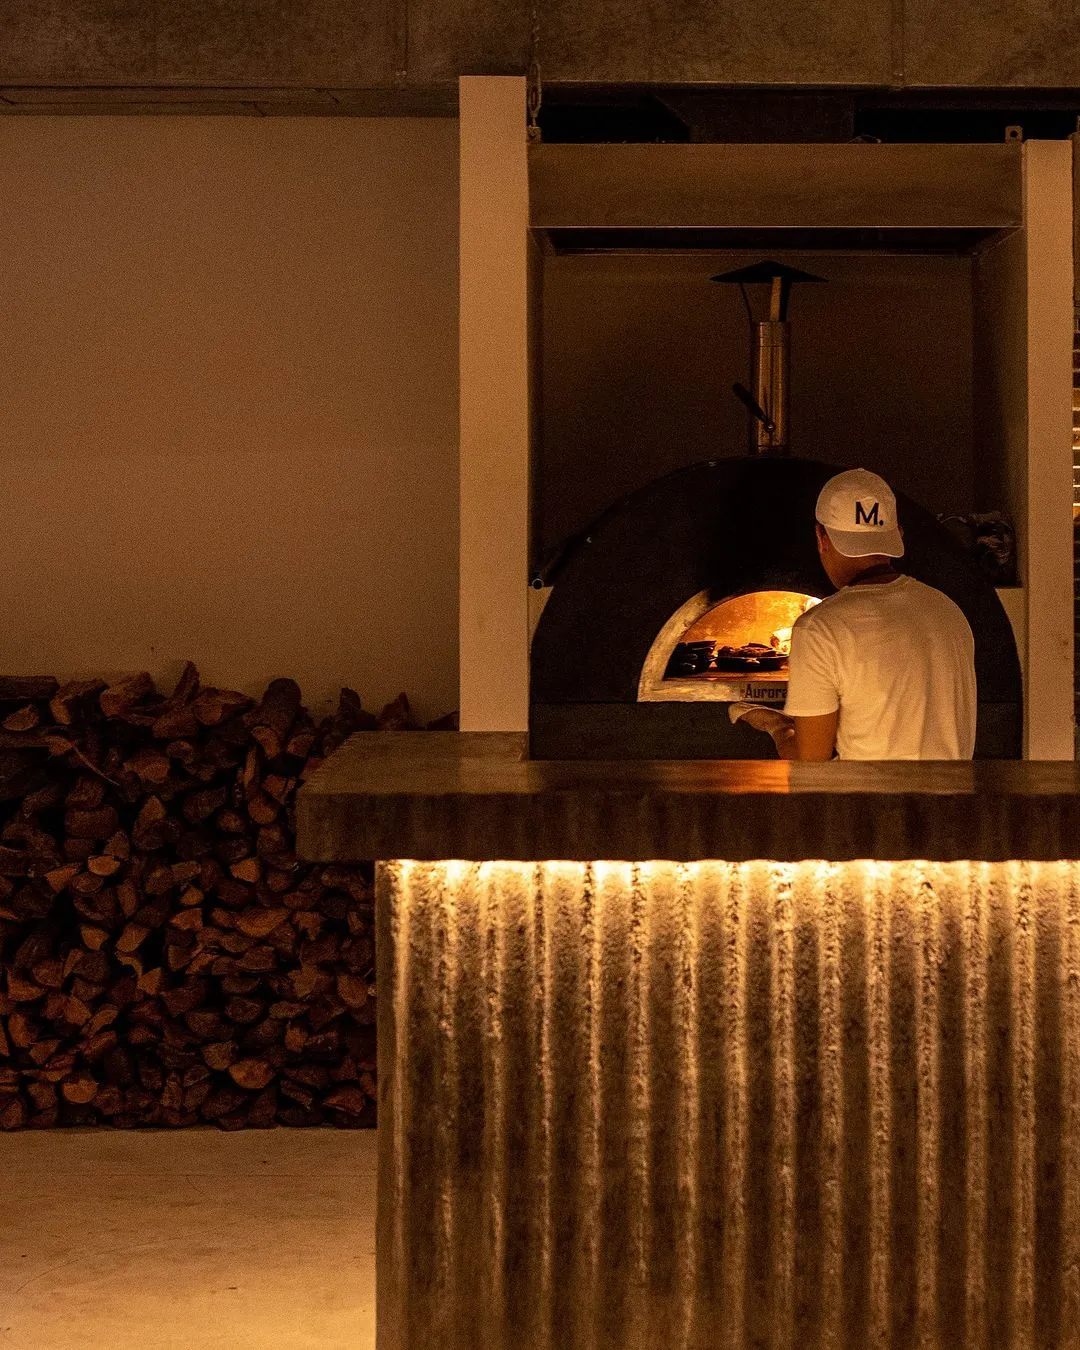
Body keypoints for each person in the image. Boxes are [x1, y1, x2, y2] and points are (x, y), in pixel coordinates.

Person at [731, 468, 976, 761]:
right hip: (956, 806)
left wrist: (777, 726)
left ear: (821, 537)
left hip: (868, 806)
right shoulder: (947, 610)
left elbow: (810, 765)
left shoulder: (819, 628)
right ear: (897, 535)